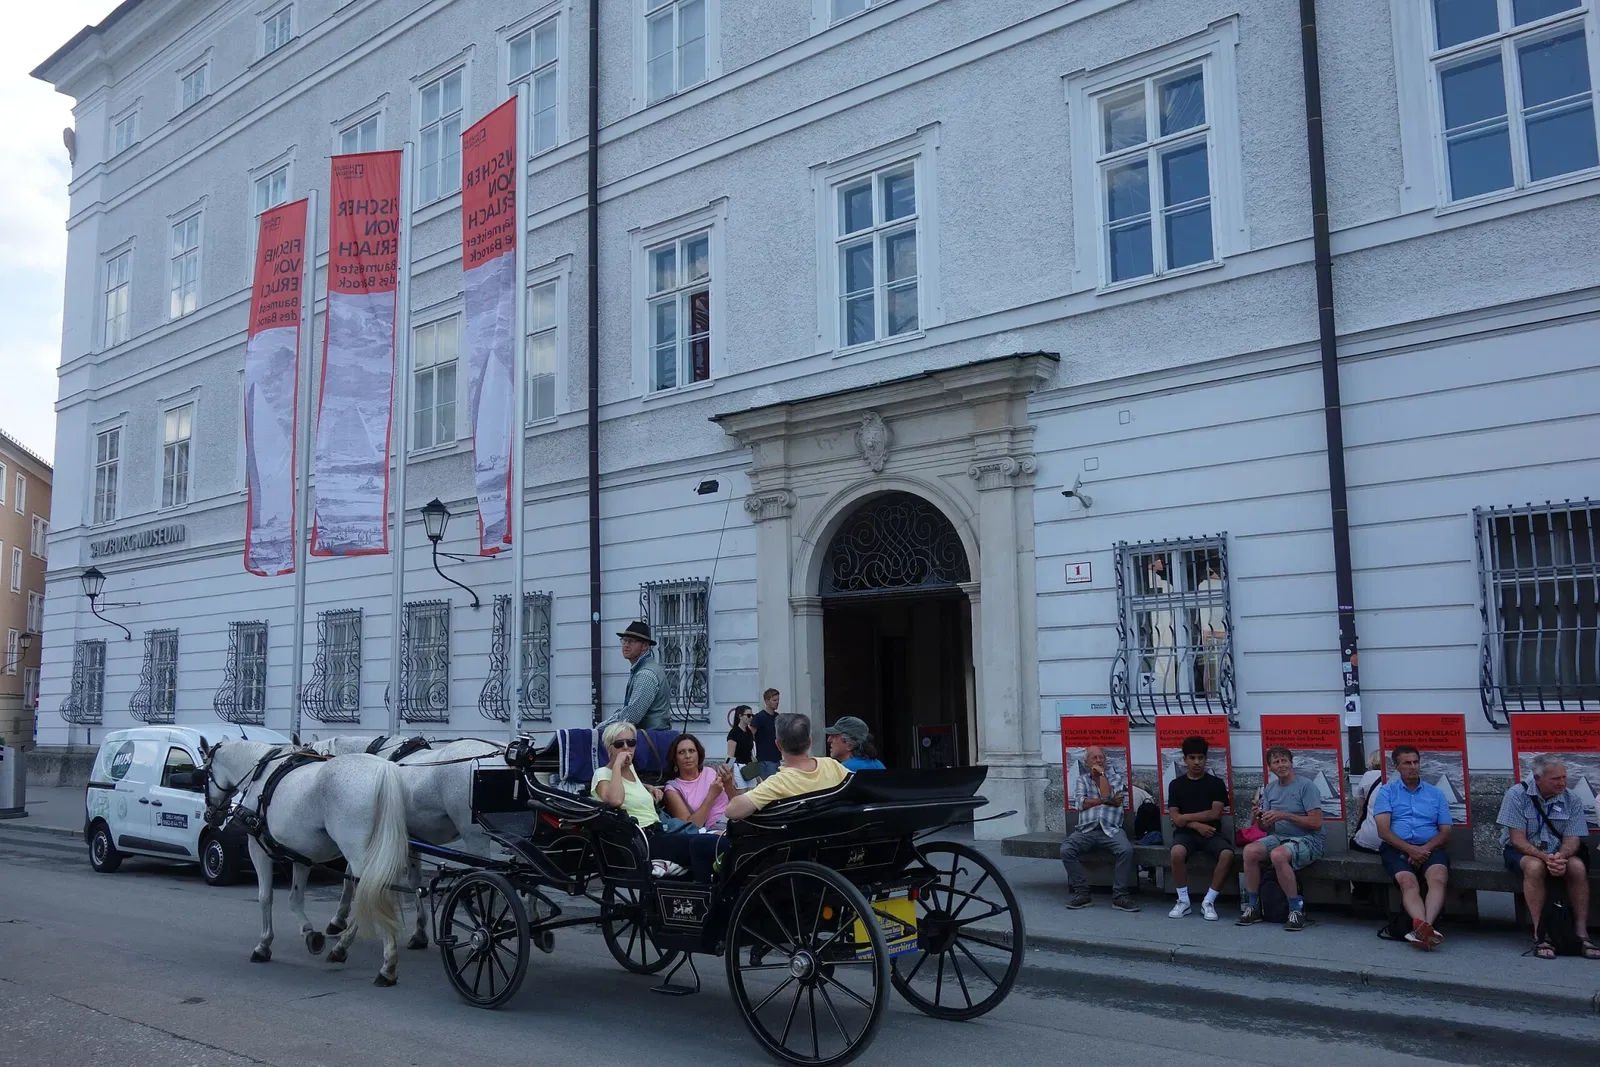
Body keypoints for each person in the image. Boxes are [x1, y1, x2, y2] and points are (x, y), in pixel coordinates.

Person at [1497, 754, 1598, 960]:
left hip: (1558, 851)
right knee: (1535, 868)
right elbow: (1517, 839)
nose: (1562, 783)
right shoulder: (1516, 795)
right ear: (1538, 779)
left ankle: (1582, 933)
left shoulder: (1572, 799)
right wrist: (1546, 858)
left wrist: (1560, 856)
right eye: (1556, 779)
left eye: (1563, 777)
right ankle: (1540, 934)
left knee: (1577, 867)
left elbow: (1572, 839)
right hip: (1523, 850)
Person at [591, 721, 720, 881]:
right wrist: (616, 764)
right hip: (641, 839)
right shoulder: (602, 773)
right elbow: (616, 800)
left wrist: (648, 787)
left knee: (715, 841)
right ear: (608, 748)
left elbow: (630, 787)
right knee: (702, 845)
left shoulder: (630, 769)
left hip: (660, 829)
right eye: (619, 744)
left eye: (631, 743)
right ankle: (704, 891)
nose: (626, 748)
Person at [1373, 745, 1452, 949]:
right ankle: (1423, 928)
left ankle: (1425, 927)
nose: (1413, 767)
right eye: (1407, 763)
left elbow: (1445, 831)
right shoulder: (1387, 792)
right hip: (1397, 847)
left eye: (1416, 762)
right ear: (1397, 766)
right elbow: (1383, 830)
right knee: (1408, 882)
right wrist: (1411, 850)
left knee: (1438, 878)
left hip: (1429, 847)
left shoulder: (1436, 794)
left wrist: (1423, 849)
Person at [1237, 746, 1325, 931]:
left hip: (1308, 839)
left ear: (1291, 763)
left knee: (1278, 855)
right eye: (1276, 762)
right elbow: (1264, 828)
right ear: (1270, 767)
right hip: (1279, 836)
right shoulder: (1270, 789)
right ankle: (1253, 906)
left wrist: (1284, 815)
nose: (1281, 765)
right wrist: (1260, 818)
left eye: (1284, 760)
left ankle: (1295, 910)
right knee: (1250, 851)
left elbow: (1317, 823)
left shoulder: (1306, 786)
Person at [725, 713, 848, 820]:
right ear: (810, 742)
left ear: (778, 745)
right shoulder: (831, 765)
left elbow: (732, 811)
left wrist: (728, 785)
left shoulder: (777, 783)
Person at [1060, 746, 1139, 913]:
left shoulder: (1115, 778)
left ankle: (1119, 896)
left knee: (1125, 850)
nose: (1098, 760)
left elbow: (1106, 793)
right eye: (1094, 758)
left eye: (1101, 757)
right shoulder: (1082, 780)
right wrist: (1106, 801)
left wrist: (1102, 776)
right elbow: (1081, 803)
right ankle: (1082, 894)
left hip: (1110, 828)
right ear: (1086, 762)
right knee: (1066, 849)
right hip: (1086, 829)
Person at [1166, 736, 1232, 921]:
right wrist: (1196, 825)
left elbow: (1215, 813)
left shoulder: (1216, 784)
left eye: (1201, 758)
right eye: (1192, 757)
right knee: (1176, 853)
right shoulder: (1176, 785)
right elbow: (1175, 818)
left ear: (1205, 759)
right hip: (1186, 834)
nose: (1197, 762)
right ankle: (1183, 900)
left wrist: (1186, 818)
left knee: (1227, 854)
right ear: (1185, 759)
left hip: (1212, 833)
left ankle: (1209, 901)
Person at [664, 732, 741, 831]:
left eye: (691, 751)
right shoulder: (673, 788)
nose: (687, 756)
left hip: (736, 820)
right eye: (681, 752)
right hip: (715, 830)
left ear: (699, 755)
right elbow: (689, 829)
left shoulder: (710, 772)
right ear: (675, 759)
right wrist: (711, 796)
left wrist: (728, 784)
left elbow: (736, 802)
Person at [609, 621, 672, 733]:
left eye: (631, 641)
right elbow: (626, 711)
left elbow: (631, 717)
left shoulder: (646, 674)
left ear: (645, 646)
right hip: (650, 737)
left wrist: (601, 730)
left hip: (652, 739)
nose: (626, 645)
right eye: (624, 640)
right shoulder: (641, 669)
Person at [1350, 750, 1386, 853]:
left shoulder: (1367, 776)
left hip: (1368, 841)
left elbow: (1362, 809)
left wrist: (1357, 829)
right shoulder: (1397, 778)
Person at [752, 688, 782, 778]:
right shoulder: (759, 717)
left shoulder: (778, 717)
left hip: (776, 757)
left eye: (778, 700)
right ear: (767, 701)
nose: (777, 702)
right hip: (765, 759)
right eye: (774, 700)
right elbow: (750, 735)